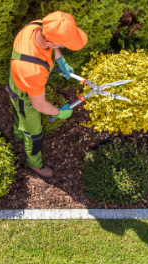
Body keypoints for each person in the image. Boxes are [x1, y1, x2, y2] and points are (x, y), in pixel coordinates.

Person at [5, 11, 88, 177]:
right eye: (63, 45)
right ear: (51, 41)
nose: (62, 48)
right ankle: (34, 163)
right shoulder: (33, 70)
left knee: (18, 113)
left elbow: (52, 45)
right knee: (34, 134)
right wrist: (59, 112)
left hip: (17, 80)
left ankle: (17, 135)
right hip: (25, 96)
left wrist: (61, 61)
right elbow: (39, 105)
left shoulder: (37, 26)